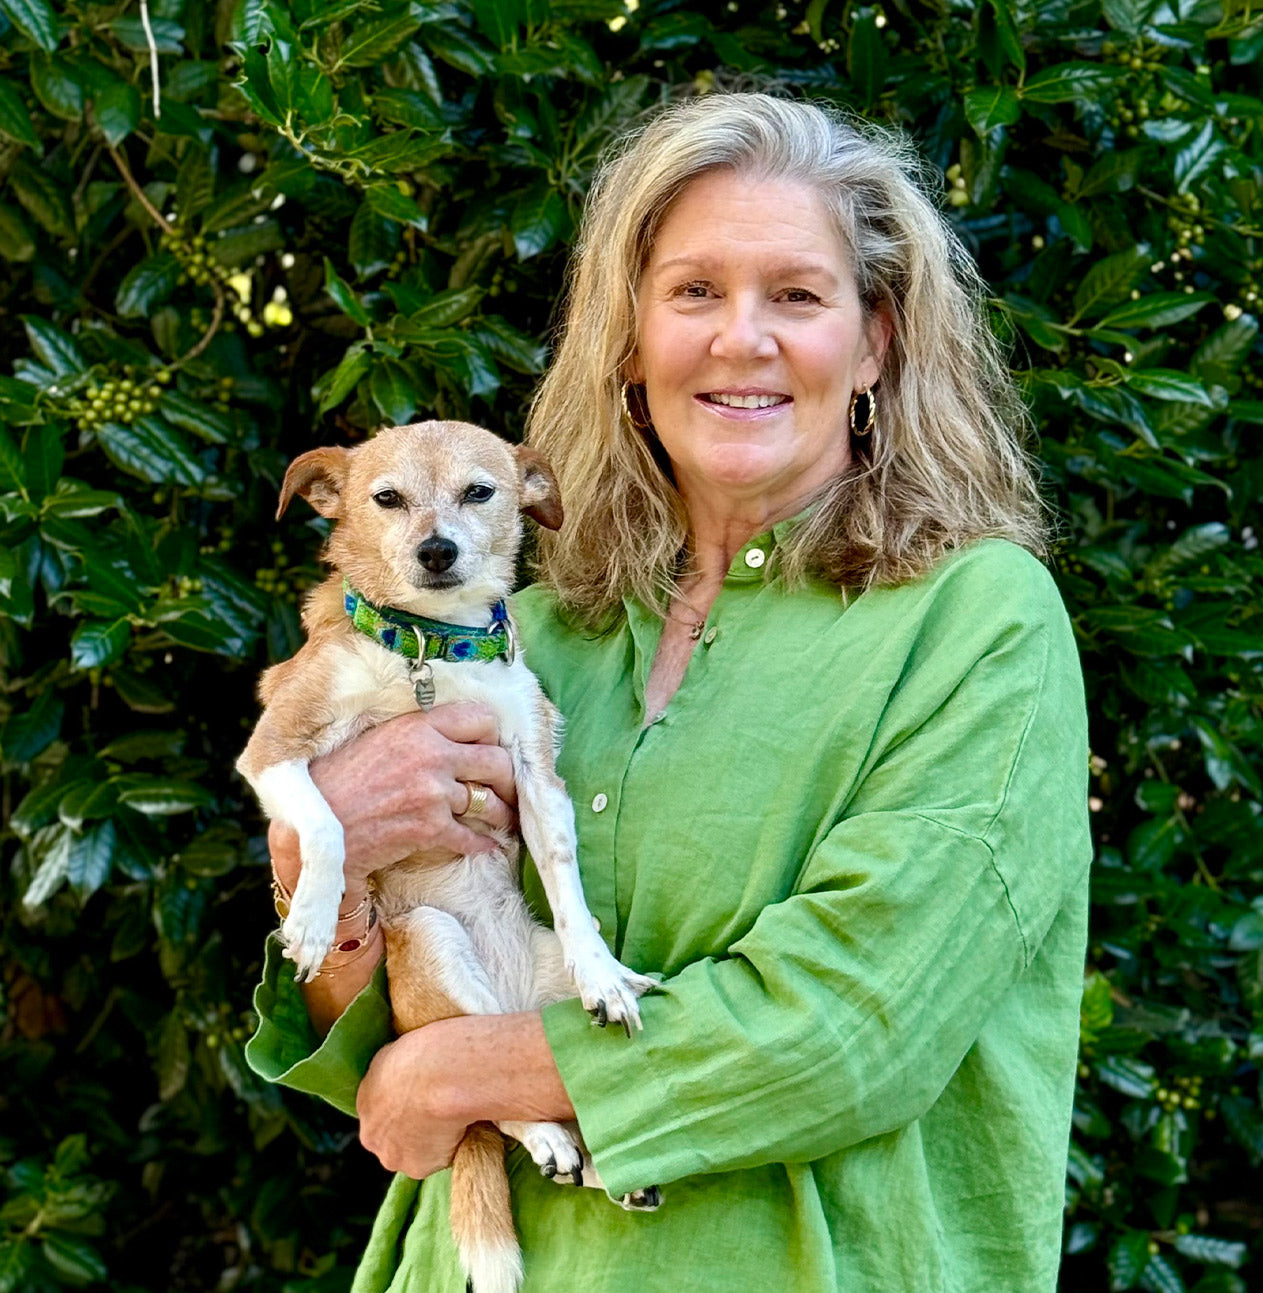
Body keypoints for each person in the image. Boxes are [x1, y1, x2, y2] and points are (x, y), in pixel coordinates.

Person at [247, 92, 1091, 1292]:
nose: (741, 338)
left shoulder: (975, 621)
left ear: (876, 341)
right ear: (631, 343)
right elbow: (374, 1056)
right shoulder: (527, 633)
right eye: (694, 292)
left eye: (796, 296)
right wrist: (319, 860)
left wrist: (458, 1075)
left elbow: (853, 1029)